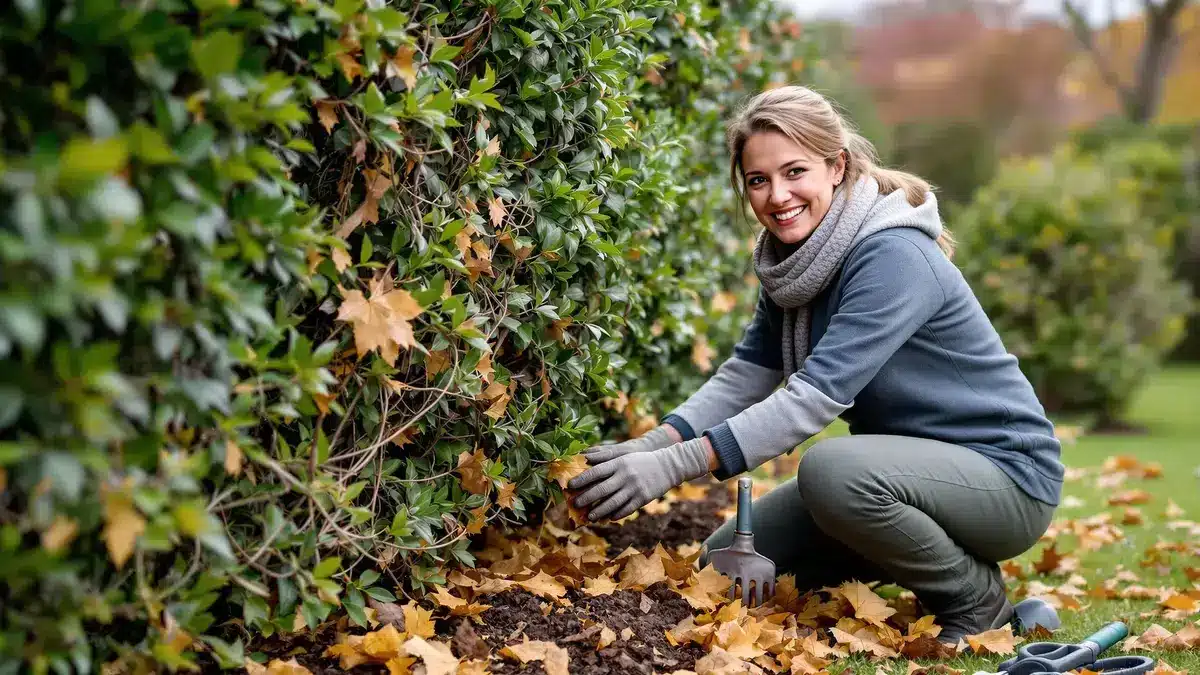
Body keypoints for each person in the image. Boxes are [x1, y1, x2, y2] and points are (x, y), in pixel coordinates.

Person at [567, 85, 1063, 643]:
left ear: (837, 166)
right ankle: (921, 565)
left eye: (794, 172)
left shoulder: (891, 253)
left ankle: (975, 601)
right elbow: (748, 374)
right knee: (721, 569)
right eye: (758, 180)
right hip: (900, 479)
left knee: (831, 472)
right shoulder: (793, 262)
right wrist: (649, 447)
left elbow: (811, 397)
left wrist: (673, 466)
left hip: (1004, 480)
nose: (777, 196)